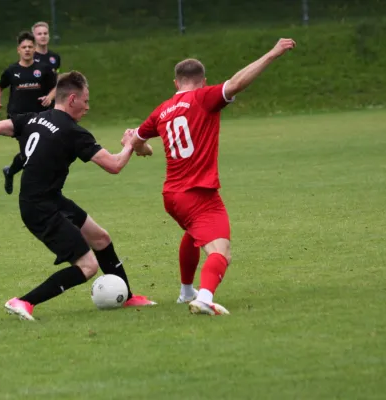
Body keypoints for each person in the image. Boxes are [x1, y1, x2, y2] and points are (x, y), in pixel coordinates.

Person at [0, 71, 156, 321]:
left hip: (49, 198)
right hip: (40, 208)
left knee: (100, 237)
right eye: (86, 101)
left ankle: (127, 297)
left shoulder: (36, 118)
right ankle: (23, 301)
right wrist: (130, 143)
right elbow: (114, 165)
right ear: (73, 99)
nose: (88, 106)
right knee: (88, 267)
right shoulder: (73, 132)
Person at [127, 38, 296, 315]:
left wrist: (144, 150)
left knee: (193, 234)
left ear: (175, 83)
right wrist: (272, 53)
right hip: (198, 193)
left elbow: (136, 139)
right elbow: (238, 82)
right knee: (221, 251)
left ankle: (186, 292)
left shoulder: (162, 110)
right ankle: (204, 298)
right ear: (203, 82)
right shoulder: (203, 98)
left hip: (172, 195)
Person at [0, 31, 57, 195]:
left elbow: (57, 86)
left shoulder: (43, 69)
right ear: (18, 50)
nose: (27, 49)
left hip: (40, 117)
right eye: (24, 47)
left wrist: (50, 97)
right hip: (18, 118)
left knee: (32, 153)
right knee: (31, 153)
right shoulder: (12, 70)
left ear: (35, 49)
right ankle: (36, 189)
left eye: (30, 46)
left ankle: (11, 172)